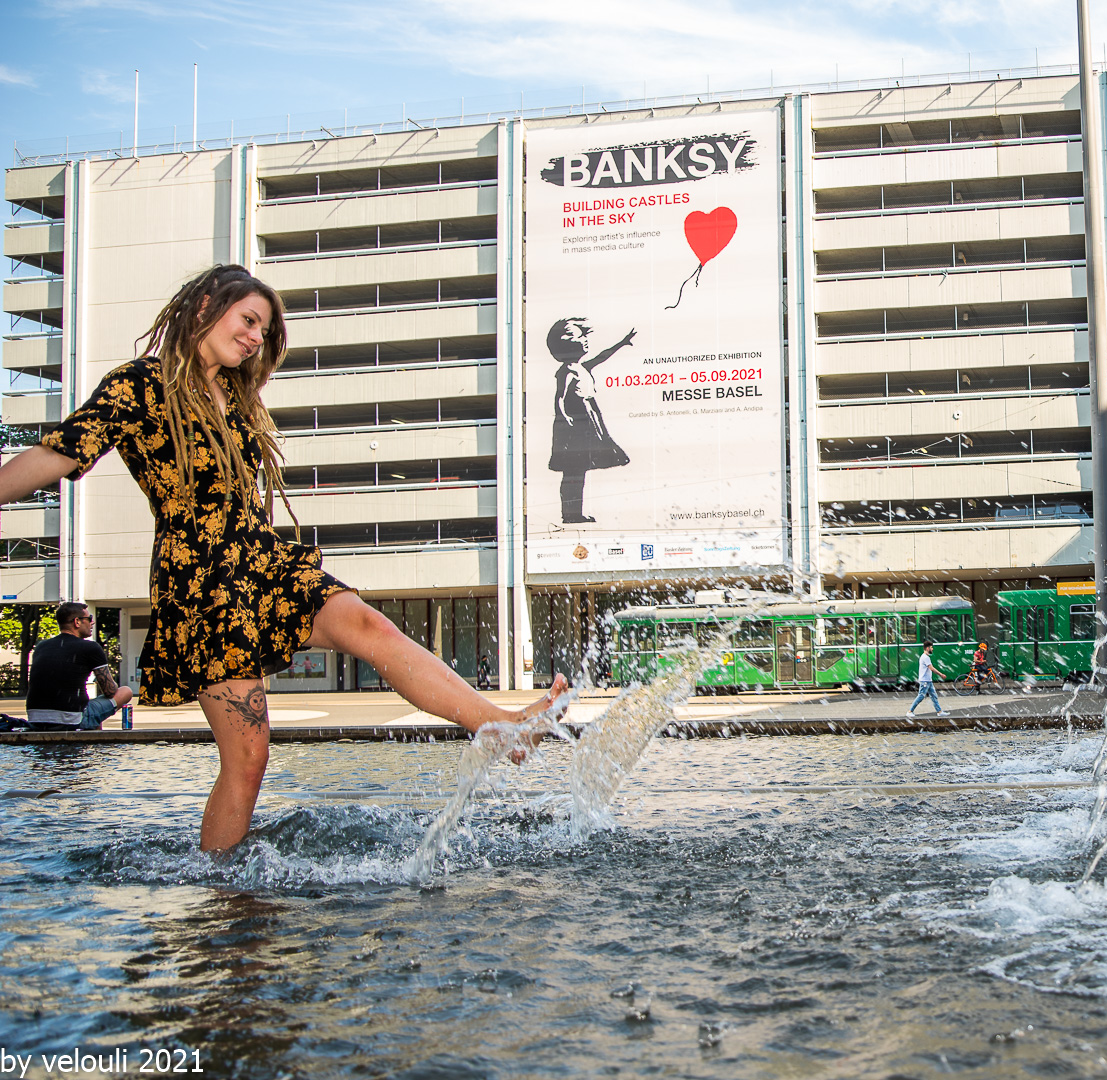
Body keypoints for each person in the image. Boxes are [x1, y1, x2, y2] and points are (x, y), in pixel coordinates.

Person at [0, 265, 567, 852]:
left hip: (261, 557)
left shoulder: (238, 399)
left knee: (368, 623)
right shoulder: (141, 385)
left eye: (263, 331)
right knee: (248, 759)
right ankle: (221, 893)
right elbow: (58, 453)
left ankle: (493, 724)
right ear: (203, 307)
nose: (254, 338)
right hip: (203, 582)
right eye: (248, 320)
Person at [546, 317, 636, 524]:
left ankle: (574, 513)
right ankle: (571, 514)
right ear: (567, 343)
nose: (586, 340)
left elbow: (603, 356)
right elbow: (559, 398)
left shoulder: (582, 366)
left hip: (587, 421)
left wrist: (622, 343)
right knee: (573, 472)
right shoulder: (566, 371)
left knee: (580, 470)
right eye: (581, 337)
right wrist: (563, 418)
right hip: (574, 424)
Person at [24, 601, 134, 732]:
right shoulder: (90, 647)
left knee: (89, 705)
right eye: (89, 619)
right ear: (77, 622)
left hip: (36, 720)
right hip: (72, 720)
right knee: (125, 691)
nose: (92, 623)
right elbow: (109, 691)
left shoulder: (41, 646)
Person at [907, 642, 945, 717]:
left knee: (934, 696)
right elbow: (931, 668)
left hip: (928, 681)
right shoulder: (925, 657)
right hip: (924, 681)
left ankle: (939, 712)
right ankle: (910, 711)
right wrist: (940, 674)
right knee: (921, 696)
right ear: (927, 648)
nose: (932, 649)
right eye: (931, 647)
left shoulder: (925, 657)